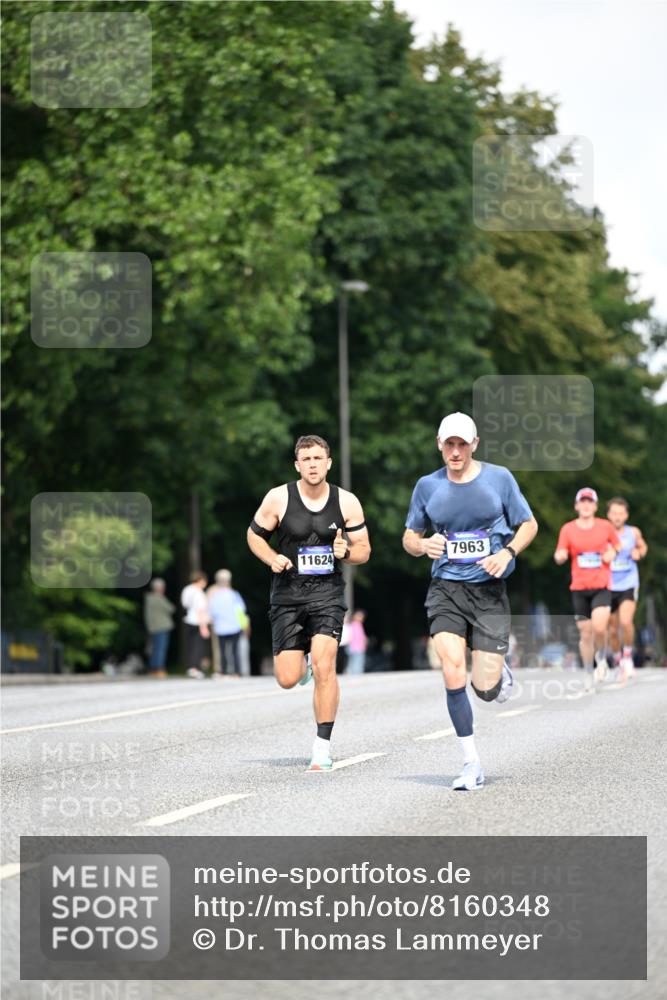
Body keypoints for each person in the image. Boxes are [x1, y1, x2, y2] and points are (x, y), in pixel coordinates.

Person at [403, 412, 538, 792]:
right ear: (439, 445)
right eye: (450, 444)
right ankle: (470, 762)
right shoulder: (427, 486)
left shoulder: (499, 479)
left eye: (463, 444)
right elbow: (409, 537)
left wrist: (508, 552)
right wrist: (422, 545)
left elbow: (529, 524)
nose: (456, 451)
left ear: (475, 444)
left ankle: (497, 676)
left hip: (489, 591)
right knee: (451, 668)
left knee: (485, 686)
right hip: (445, 588)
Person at [247, 434, 371, 771]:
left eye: (318, 458)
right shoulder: (278, 498)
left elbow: (364, 549)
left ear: (328, 463)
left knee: (326, 664)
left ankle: (321, 747)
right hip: (287, 595)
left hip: (327, 595)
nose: (313, 464)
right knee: (287, 678)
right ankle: (304, 664)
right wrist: (272, 558)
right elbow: (253, 536)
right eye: (306, 459)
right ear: (297, 465)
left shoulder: (346, 502)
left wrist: (348, 553)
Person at [554, 488, 621, 688]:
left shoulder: (605, 526)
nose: (585, 505)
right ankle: (588, 670)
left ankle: (601, 660)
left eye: (589, 501)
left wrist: (612, 554)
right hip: (579, 587)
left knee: (599, 628)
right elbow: (560, 552)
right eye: (582, 501)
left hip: (601, 585)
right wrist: (560, 556)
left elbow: (617, 546)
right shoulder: (567, 529)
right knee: (585, 633)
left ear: (595, 506)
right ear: (576, 506)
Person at [606, 496, 648, 679]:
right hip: (608, 584)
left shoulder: (633, 532)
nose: (617, 517)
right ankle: (617, 659)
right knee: (613, 629)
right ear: (608, 514)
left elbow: (643, 546)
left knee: (626, 622)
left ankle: (628, 657)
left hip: (629, 583)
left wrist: (639, 552)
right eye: (614, 513)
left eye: (620, 513)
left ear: (626, 515)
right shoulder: (602, 532)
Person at [208, 569, 250, 678]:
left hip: (220, 627)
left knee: (222, 651)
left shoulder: (215, 596)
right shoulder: (234, 595)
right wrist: (244, 625)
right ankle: (236, 672)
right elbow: (240, 611)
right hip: (234, 626)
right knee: (234, 650)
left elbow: (212, 612)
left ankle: (223, 671)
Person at [143, 578, 175, 678]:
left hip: (152, 627)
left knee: (154, 649)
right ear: (160, 588)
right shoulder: (159, 598)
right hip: (162, 626)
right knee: (160, 649)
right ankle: (159, 669)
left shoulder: (149, 599)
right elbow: (171, 608)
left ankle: (153, 669)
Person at [180, 570, 210, 678]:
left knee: (191, 645)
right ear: (200, 580)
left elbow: (185, 604)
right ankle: (195, 668)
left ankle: (190, 667)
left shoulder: (186, 590)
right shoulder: (198, 592)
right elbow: (200, 610)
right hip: (197, 621)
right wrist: (204, 627)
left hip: (188, 620)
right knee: (198, 646)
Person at [346, 610, 368, 675]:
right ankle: (355, 674)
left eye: (361, 616)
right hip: (354, 647)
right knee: (356, 661)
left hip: (359, 647)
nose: (360, 618)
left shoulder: (359, 625)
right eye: (359, 616)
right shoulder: (352, 625)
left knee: (356, 661)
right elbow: (349, 636)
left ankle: (354, 673)